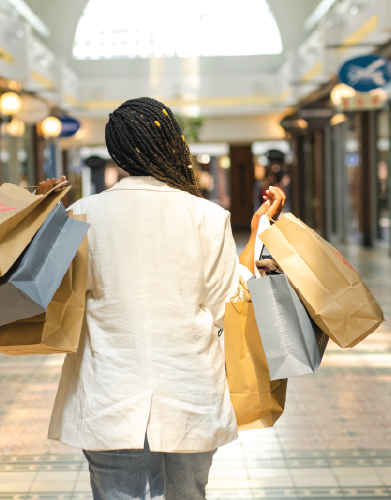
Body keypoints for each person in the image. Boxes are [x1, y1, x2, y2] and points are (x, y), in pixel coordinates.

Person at [50, 97, 259, 499]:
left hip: (107, 385)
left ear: (116, 151)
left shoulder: (82, 213)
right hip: (188, 386)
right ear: (172, 144)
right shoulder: (207, 216)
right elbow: (222, 310)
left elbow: (66, 301)